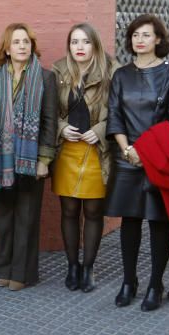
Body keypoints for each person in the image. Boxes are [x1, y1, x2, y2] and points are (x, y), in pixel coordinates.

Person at [105, 14, 169, 312]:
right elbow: (114, 114)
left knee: (158, 220)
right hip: (127, 157)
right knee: (130, 220)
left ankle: (156, 283)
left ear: (159, 40)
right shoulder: (121, 75)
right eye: (135, 35)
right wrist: (128, 150)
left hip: (158, 156)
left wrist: (146, 150)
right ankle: (129, 281)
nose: (139, 40)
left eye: (146, 35)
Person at [0, 23, 57, 291]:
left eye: (26, 41)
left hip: (30, 160)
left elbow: (50, 121)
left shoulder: (45, 78)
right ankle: (3, 268)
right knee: (3, 217)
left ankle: (22, 273)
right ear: (7, 48)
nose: (22, 46)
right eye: (16, 42)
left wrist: (44, 160)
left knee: (26, 217)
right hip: (0, 160)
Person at [52, 23, 116, 293]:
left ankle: (89, 267)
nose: (79, 47)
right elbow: (47, 111)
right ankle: (72, 265)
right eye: (74, 42)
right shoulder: (58, 71)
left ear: (95, 45)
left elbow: (120, 111)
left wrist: (100, 131)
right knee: (68, 210)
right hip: (67, 150)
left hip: (96, 152)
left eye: (85, 42)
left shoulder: (112, 71)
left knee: (92, 211)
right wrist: (61, 127)